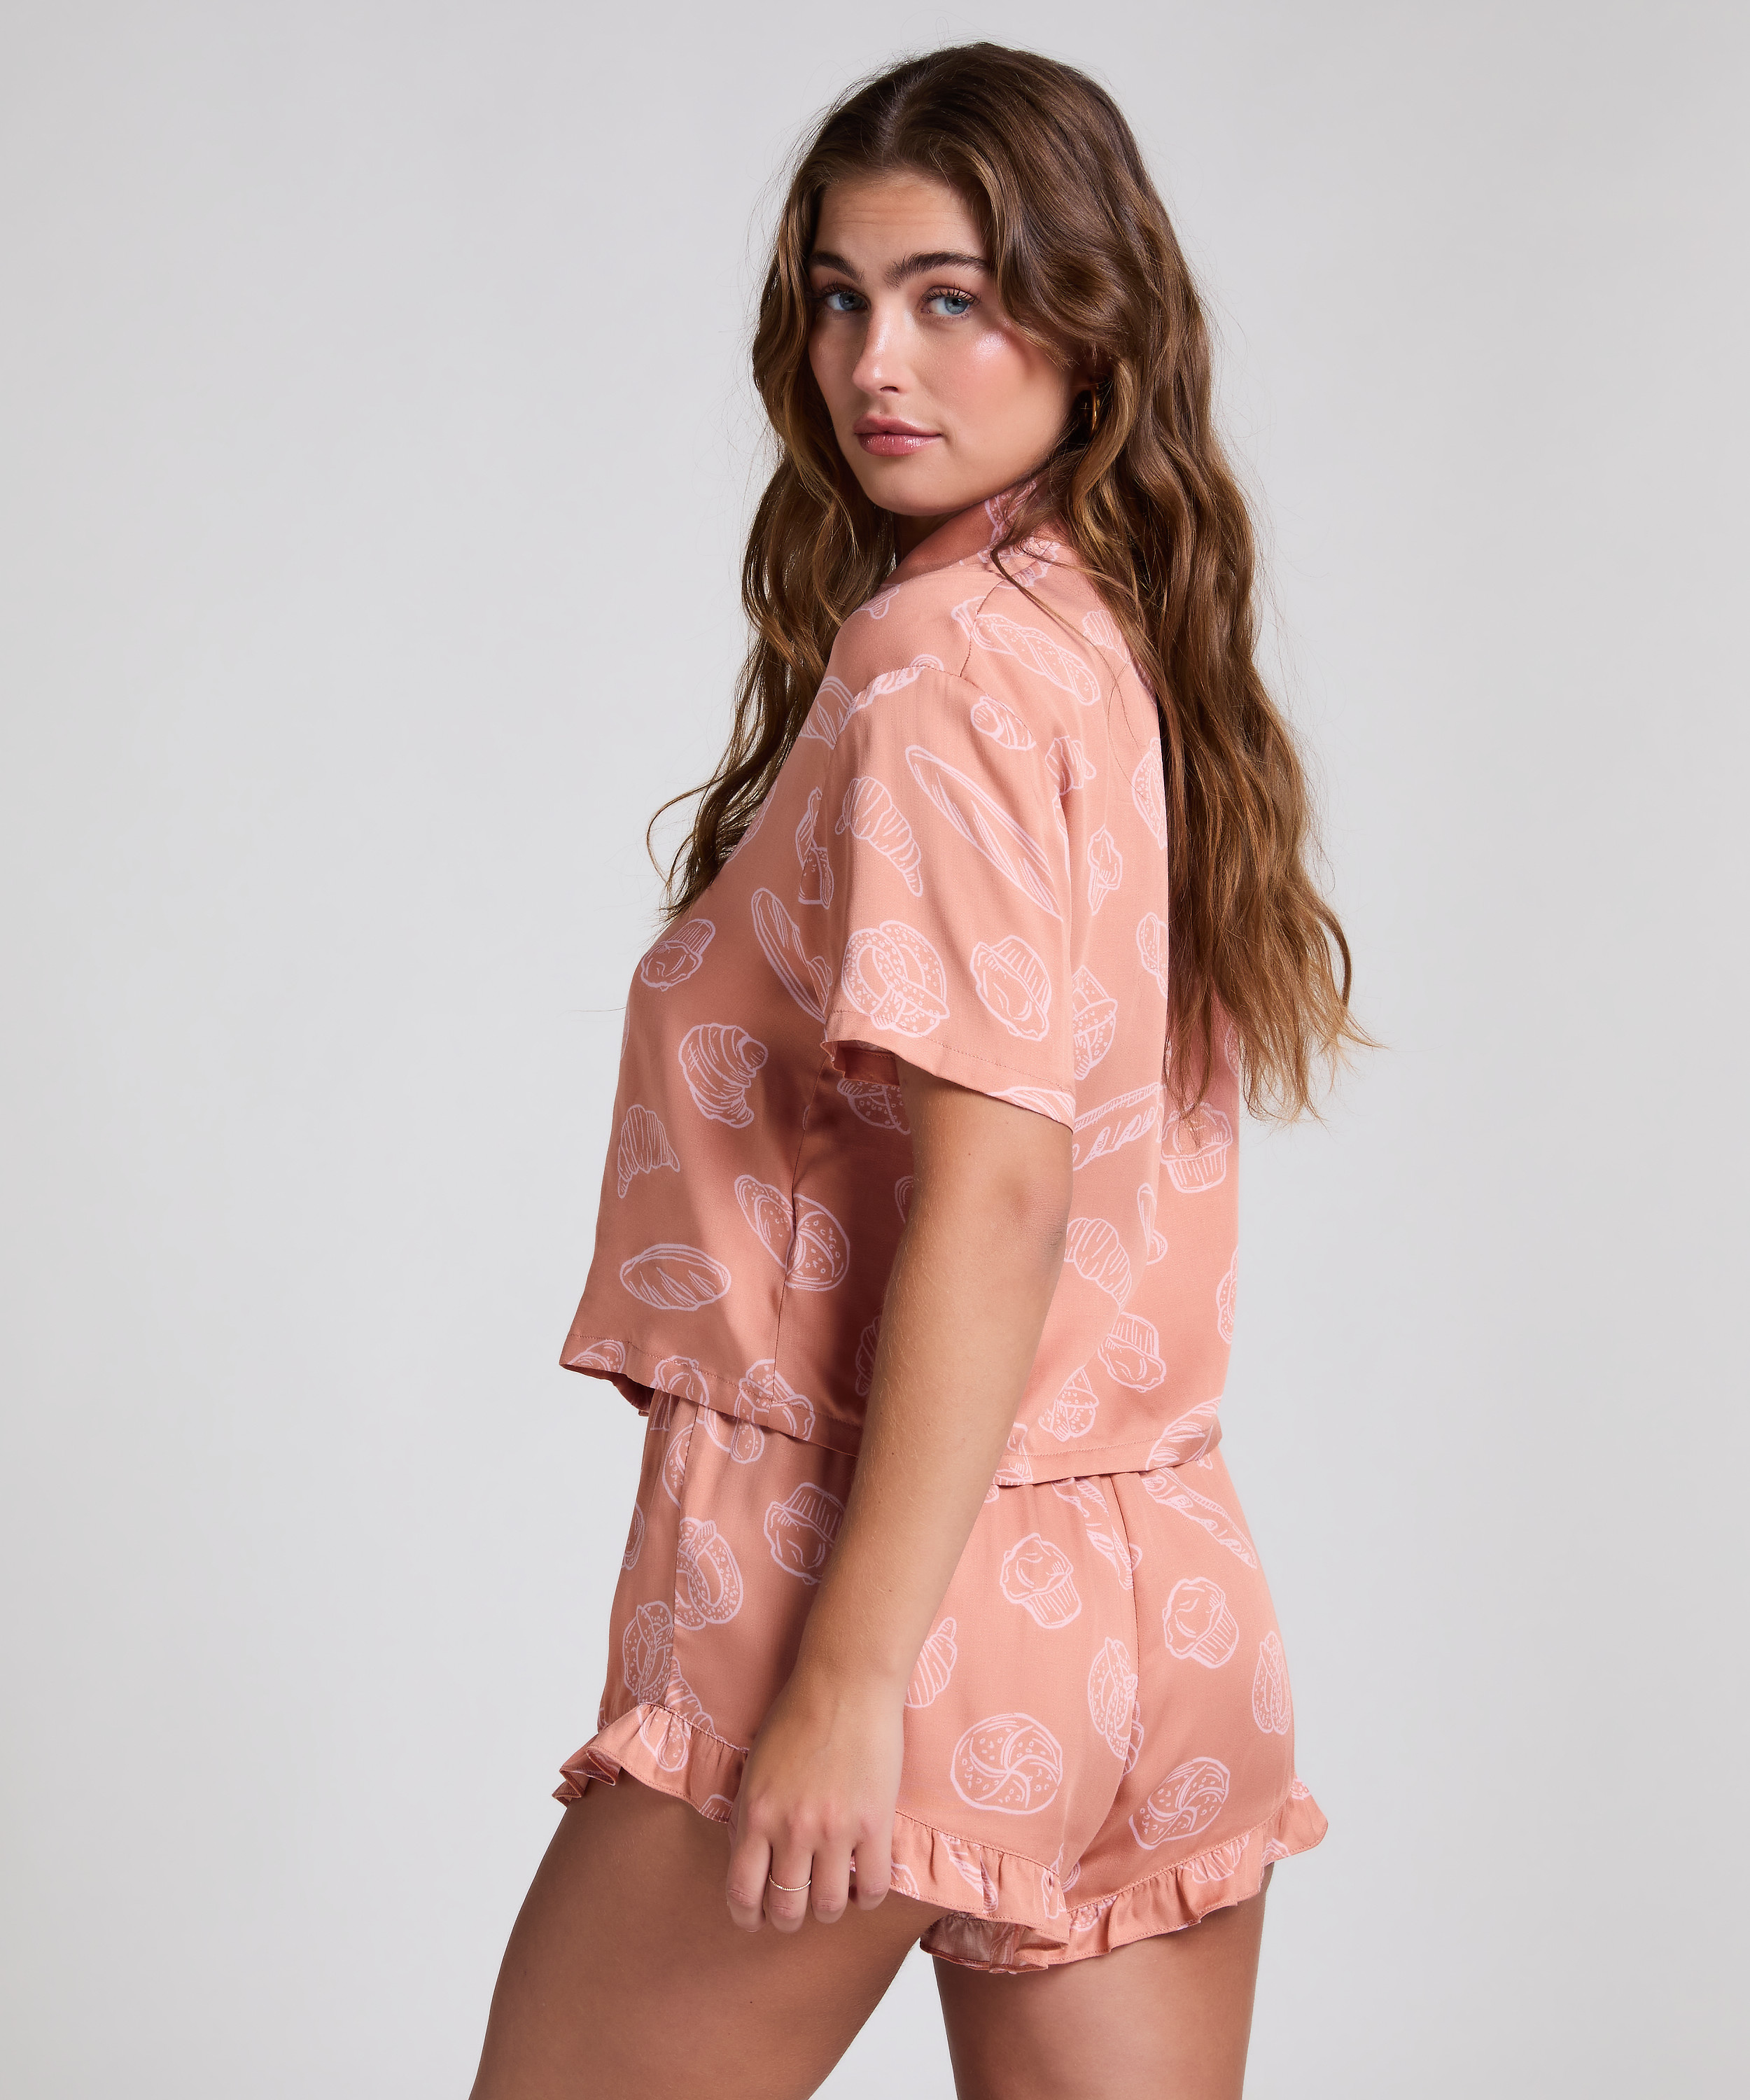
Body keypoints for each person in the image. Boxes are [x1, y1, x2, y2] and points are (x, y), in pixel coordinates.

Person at [470, 42, 1364, 2100]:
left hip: (871, 1584)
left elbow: (1005, 1188)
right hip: (1157, 1600)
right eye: (839, 296)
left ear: (1090, 315)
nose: (875, 361)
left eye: (951, 297)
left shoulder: (935, 667)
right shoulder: (1113, 650)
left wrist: (851, 1679)